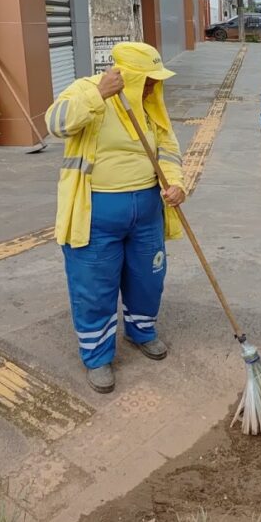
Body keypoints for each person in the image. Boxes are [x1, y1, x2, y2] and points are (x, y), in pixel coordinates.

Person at [45, 42, 186, 393]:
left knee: (148, 278)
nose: (155, 86)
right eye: (149, 79)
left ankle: (141, 331)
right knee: (95, 286)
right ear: (132, 76)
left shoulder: (150, 103)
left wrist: (176, 183)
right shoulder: (86, 89)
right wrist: (98, 96)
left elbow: (167, 147)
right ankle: (97, 356)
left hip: (147, 213)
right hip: (95, 214)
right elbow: (55, 124)